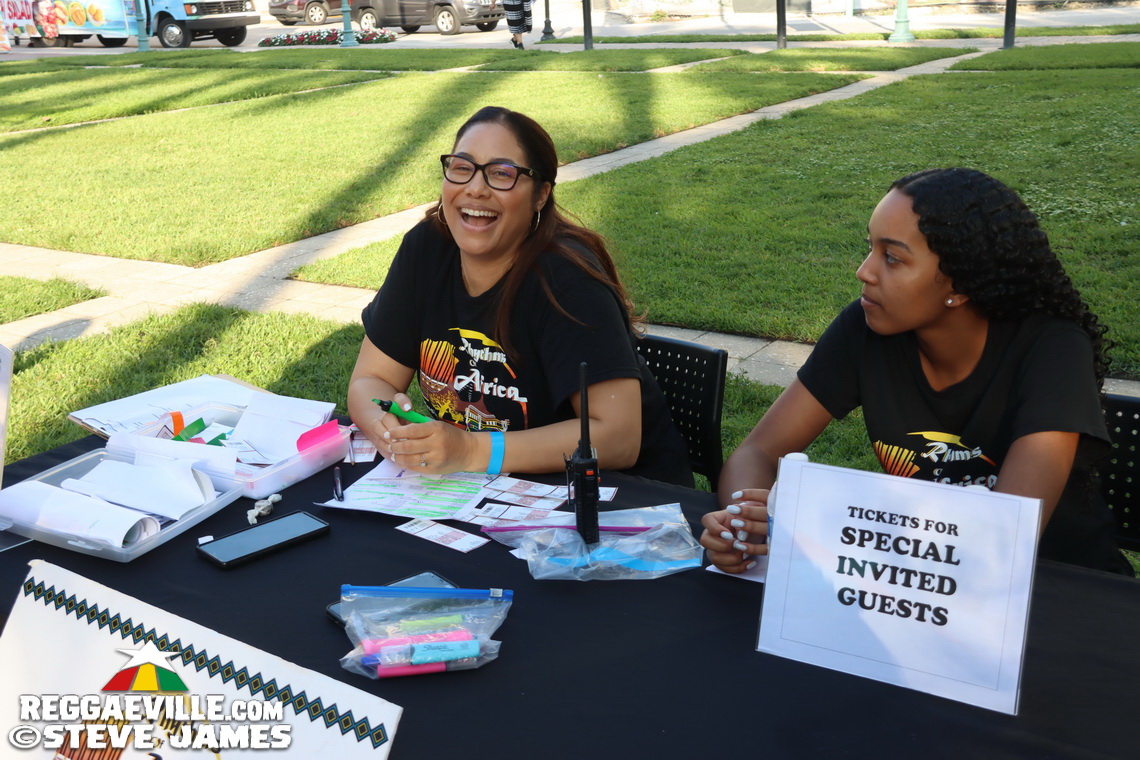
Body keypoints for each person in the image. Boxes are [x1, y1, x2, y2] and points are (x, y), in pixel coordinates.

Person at [701, 168, 1132, 575]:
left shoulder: (1053, 349)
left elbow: (1003, 539)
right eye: (870, 248)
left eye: (891, 257)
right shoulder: (865, 327)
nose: (864, 271)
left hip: (1061, 586)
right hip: (913, 580)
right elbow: (757, 454)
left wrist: (821, 522)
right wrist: (742, 524)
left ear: (959, 283)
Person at [348, 106, 692, 487]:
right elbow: (371, 379)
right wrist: (390, 431)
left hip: (617, 498)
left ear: (541, 195)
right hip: (484, 491)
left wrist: (471, 450)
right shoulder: (426, 250)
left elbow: (618, 438)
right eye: (462, 167)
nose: (475, 188)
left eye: (501, 174)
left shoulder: (568, 282)